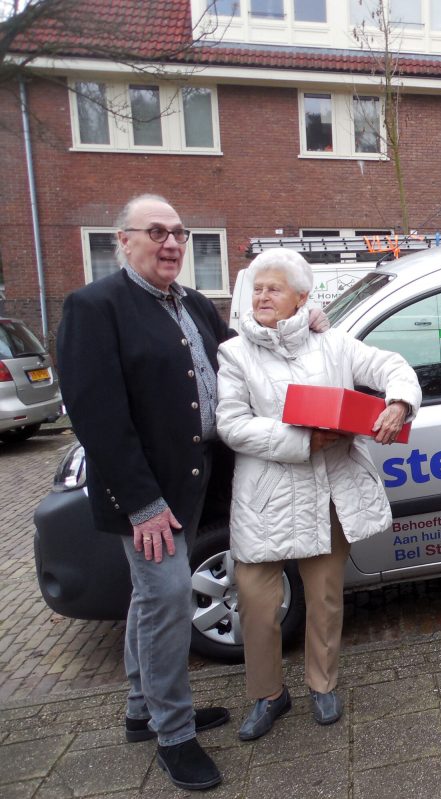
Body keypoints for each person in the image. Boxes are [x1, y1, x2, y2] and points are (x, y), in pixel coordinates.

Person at [57, 195, 232, 791]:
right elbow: (96, 415)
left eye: (180, 232)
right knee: (168, 598)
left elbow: (237, 357)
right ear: (122, 241)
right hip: (148, 497)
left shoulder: (197, 305)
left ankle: (141, 709)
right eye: (156, 232)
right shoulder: (94, 306)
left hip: (196, 481)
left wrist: (303, 320)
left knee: (148, 599)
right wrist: (143, 503)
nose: (172, 243)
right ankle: (174, 734)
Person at [216, 249, 421, 740]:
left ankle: (322, 683)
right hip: (265, 497)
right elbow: (231, 424)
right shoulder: (235, 353)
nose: (262, 296)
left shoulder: (333, 344)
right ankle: (269, 694)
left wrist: (399, 403)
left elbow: (392, 364)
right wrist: (301, 441)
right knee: (257, 602)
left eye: (274, 289)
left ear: (301, 298)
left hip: (329, 493)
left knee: (325, 598)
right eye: (257, 288)